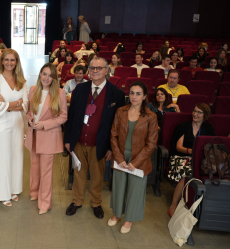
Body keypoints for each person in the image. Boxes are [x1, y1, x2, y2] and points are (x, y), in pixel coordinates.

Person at [64, 57, 125, 219]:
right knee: (78, 173)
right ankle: (77, 201)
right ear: (88, 71)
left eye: (99, 68)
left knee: (97, 175)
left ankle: (96, 202)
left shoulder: (116, 94)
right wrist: (68, 140)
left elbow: (118, 125)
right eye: (92, 68)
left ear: (107, 70)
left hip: (101, 144)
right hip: (78, 140)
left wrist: (112, 148)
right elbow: (72, 116)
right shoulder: (80, 90)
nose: (95, 71)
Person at [109, 81, 158, 234]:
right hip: (121, 157)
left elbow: (151, 143)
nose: (134, 96)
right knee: (119, 188)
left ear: (144, 96)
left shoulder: (151, 116)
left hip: (140, 159)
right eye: (131, 93)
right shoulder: (120, 111)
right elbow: (113, 136)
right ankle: (117, 214)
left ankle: (129, 219)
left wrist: (135, 162)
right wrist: (119, 158)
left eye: (138, 93)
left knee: (135, 190)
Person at [25, 63, 68, 214]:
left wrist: (43, 124)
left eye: (51, 75)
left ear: (54, 78)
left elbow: (63, 117)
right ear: (40, 75)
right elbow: (29, 111)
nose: (47, 78)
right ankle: (34, 192)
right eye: (44, 74)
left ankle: (45, 203)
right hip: (34, 135)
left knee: (46, 171)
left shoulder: (60, 93)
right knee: (35, 167)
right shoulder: (33, 90)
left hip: (48, 136)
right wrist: (29, 119)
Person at [0, 49, 29, 206]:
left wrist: (10, 105)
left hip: (18, 123)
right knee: (2, 158)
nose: (9, 63)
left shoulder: (22, 81)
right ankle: (3, 194)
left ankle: (14, 189)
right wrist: (17, 102)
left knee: (17, 156)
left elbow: (26, 104)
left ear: (17, 62)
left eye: (12, 60)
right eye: (6, 60)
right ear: (2, 61)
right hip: (2, 123)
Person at [167, 103, 215, 217]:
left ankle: (197, 206)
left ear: (205, 115)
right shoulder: (183, 126)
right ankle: (173, 206)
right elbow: (178, 147)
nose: (195, 114)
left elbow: (211, 147)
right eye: (194, 111)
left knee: (207, 172)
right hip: (181, 157)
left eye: (199, 112)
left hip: (201, 159)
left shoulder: (208, 128)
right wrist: (192, 151)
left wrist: (198, 155)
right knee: (187, 173)